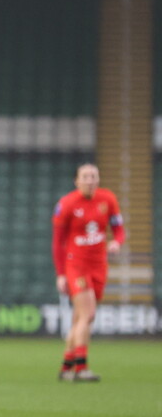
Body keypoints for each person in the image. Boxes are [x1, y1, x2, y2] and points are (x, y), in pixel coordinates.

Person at [51, 163, 124, 382]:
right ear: (77, 181)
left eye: (94, 176)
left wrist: (117, 243)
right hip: (76, 265)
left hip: (99, 265)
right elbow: (57, 243)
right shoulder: (67, 204)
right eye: (86, 176)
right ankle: (81, 369)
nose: (90, 180)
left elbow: (119, 229)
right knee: (88, 314)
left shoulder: (108, 199)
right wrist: (61, 273)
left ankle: (66, 367)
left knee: (79, 318)